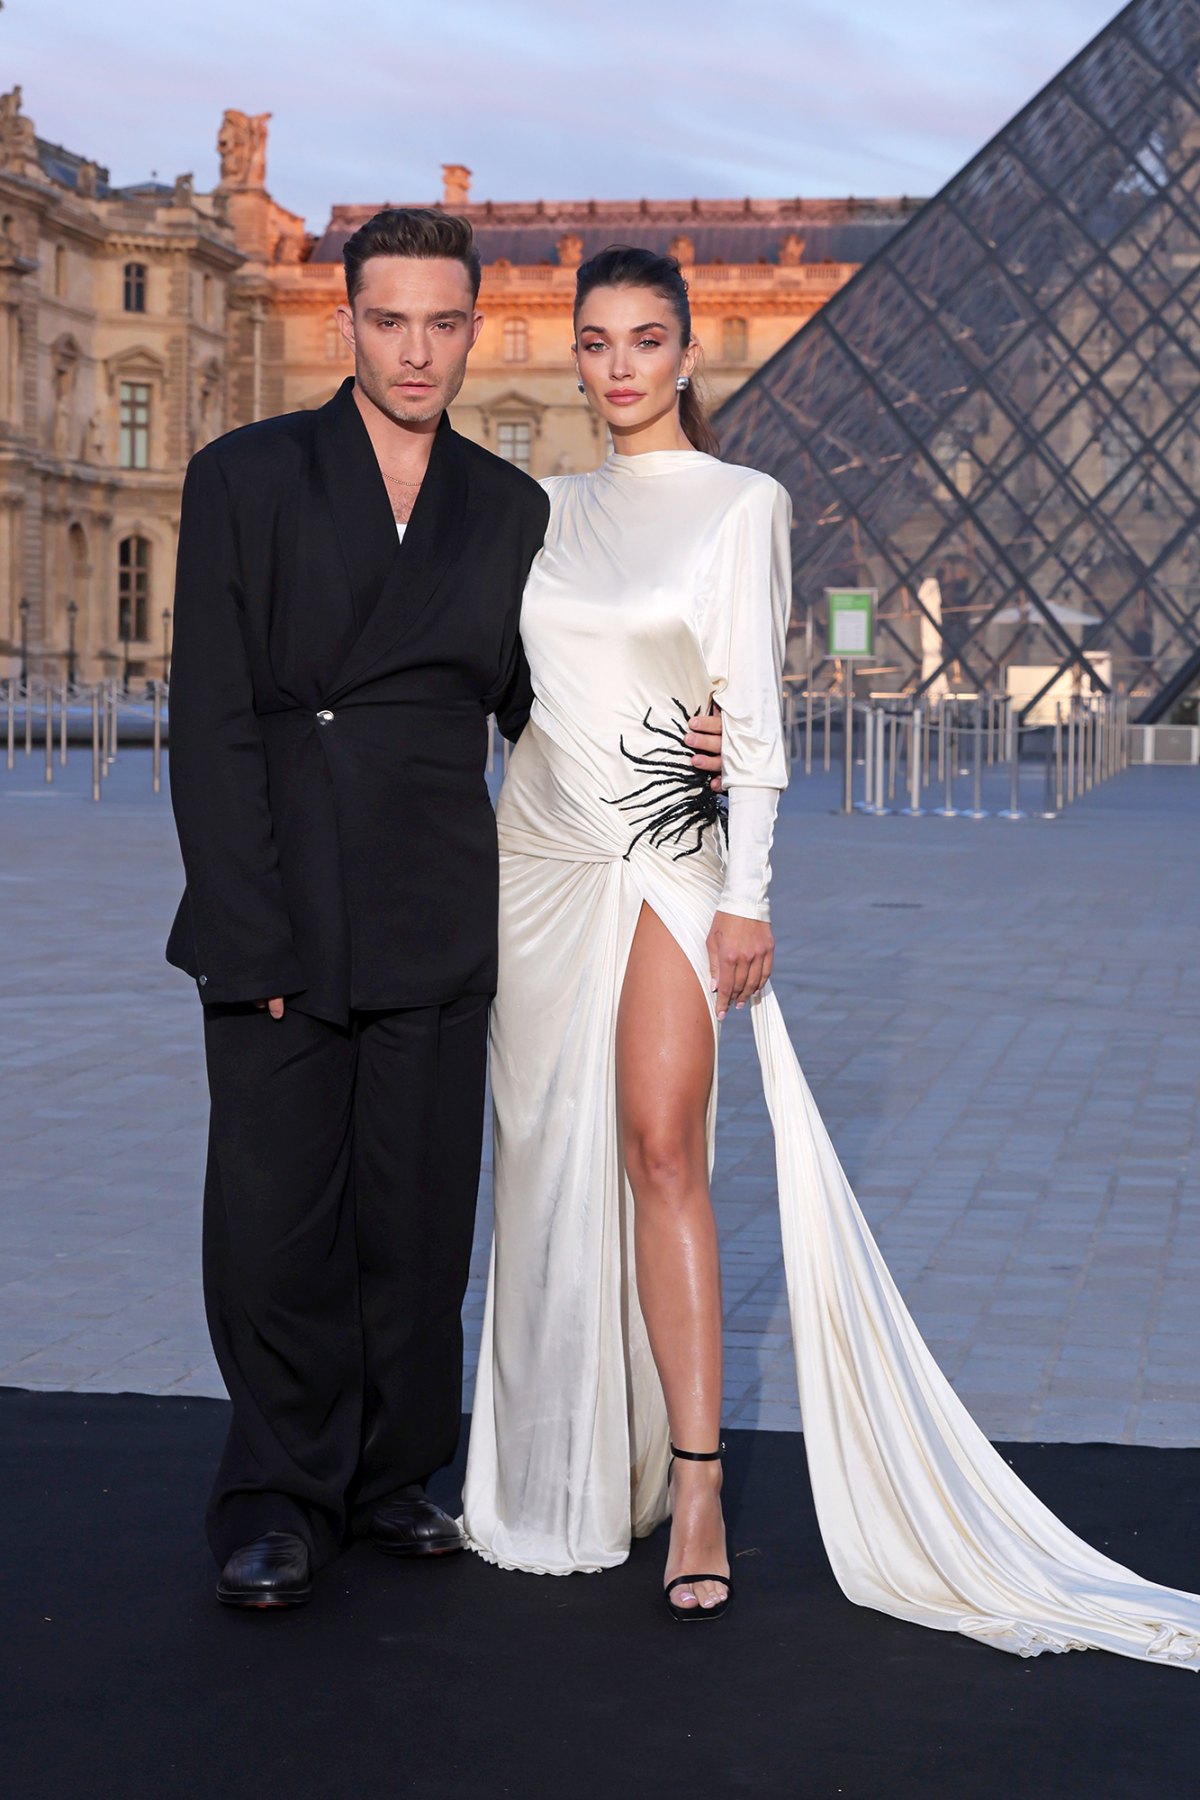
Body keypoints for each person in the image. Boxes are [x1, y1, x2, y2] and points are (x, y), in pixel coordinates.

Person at [461, 246, 1200, 1665]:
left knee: (660, 1147)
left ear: (688, 356)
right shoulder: (537, 513)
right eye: (597, 341)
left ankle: (695, 1491)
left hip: (668, 862)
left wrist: (749, 892)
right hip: (538, 859)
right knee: (546, 1157)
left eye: (647, 340)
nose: (620, 365)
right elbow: (503, 677)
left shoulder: (745, 505)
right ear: (573, 355)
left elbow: (750, 714)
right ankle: (559, 1469)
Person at [166, 211, 725, 1608]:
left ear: (476, 328)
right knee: (276, 1218)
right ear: (348, 324)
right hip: (284, 891)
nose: (416, 351)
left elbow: (545, 708)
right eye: (388, 321)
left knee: (416, 1220)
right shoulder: (245, 476)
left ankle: (388, 1472)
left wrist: (684, 731)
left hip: (434, 897)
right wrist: (250, 926)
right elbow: (210, 719)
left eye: (442, 324)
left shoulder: (508, 508)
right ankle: (282, 1490)